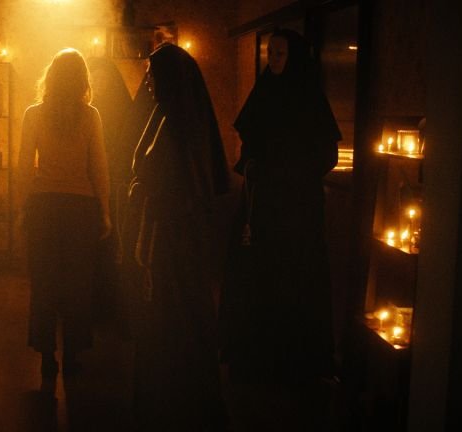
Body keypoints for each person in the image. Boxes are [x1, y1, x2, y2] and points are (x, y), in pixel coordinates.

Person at [221, 28, 340, 389]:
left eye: (280, 54)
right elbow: (250, 144)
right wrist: (257, 167)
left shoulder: (309, 99)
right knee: (258, 275)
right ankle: (255, 355)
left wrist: (291, 174)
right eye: (270, 53)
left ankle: (294, 361)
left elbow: (326, 154)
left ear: (295, 58)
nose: (272, 60)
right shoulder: (264, 93)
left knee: (294, 277)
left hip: (296, 209)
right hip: (262, 204)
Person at [126, 43, 230, 431]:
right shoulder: (168, 117)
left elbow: (172, 184)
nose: (148, 82)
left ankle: (175, 406)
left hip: (173, 244)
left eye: (152, 75)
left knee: (175, 324)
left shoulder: (179, 127)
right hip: (169, 238)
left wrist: (144, 191)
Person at [17, 48, 111, 379]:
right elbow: (99, 167)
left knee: (44, 283)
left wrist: (21, 208)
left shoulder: (34, 114)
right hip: (81, 207)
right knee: (78, 285)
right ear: (82, 80)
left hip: (43, 206)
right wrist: (105, 211)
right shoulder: (90, 116)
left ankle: (47, 356)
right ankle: (72, 355)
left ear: (51, 77)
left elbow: (24, 166)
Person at [86, 56, 133, 331]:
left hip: (116, 187)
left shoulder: (123, 110)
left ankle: (115, 308)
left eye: (102, 78)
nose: (98, 83)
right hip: (90, 188)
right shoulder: (87, 110)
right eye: (94, 78)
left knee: (115, 247)